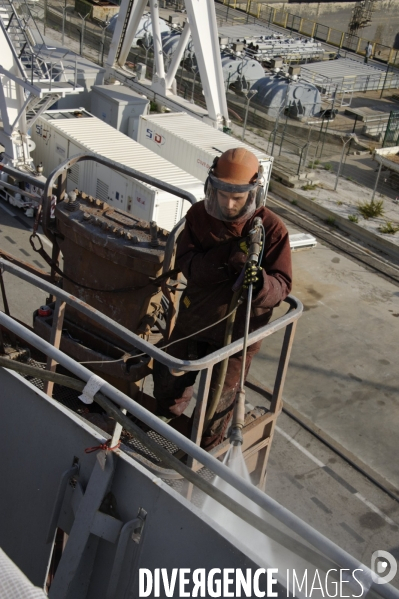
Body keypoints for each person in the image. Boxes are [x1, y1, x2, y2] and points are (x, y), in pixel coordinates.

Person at [153, 148, 292, 451]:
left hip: (238, 335)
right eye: (222, 194)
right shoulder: (199, 217)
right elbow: (187, 264)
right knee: (166, 381)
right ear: (211, 185)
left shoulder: (271, 229)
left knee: (217, 407)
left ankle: (199, 452)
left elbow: (283, 285)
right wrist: (229, 258)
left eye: (238, 198)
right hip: (195, 320)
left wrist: (263, 284)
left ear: (254, 192)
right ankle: (164, 420)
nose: (228, 204)